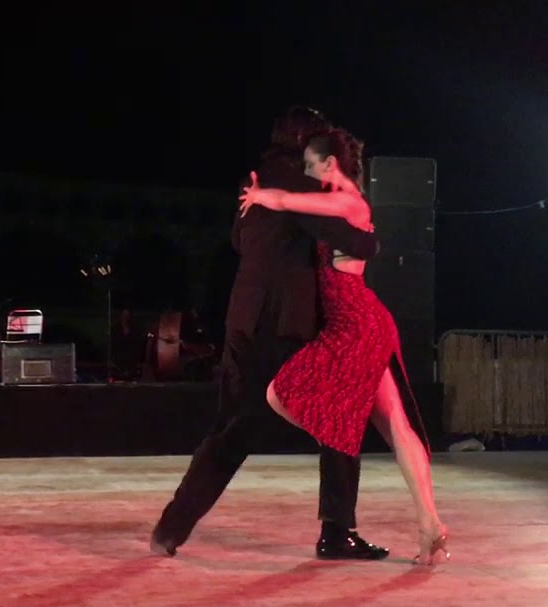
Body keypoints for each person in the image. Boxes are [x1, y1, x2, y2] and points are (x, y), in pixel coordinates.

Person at [150, 107, 388, 561]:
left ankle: (172, 526)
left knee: (232, 428)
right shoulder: (298, 179)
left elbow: (240, 241)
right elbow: (354, 240)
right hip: (283, 322)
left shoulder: (254, 178)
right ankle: (336, 532)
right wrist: (371, 240)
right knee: (338, 416)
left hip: (242, 316)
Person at [237, 128, 448, 565]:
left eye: (313, 167)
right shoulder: (351, 206)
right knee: (396, 426)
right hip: (363, 322)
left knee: (281, 393)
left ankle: (344, 434)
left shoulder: (347, 203)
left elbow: (288, 203)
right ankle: (431, 523)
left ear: (330, 164)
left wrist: (259, 196)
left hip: (354, 326)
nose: (310, 176)